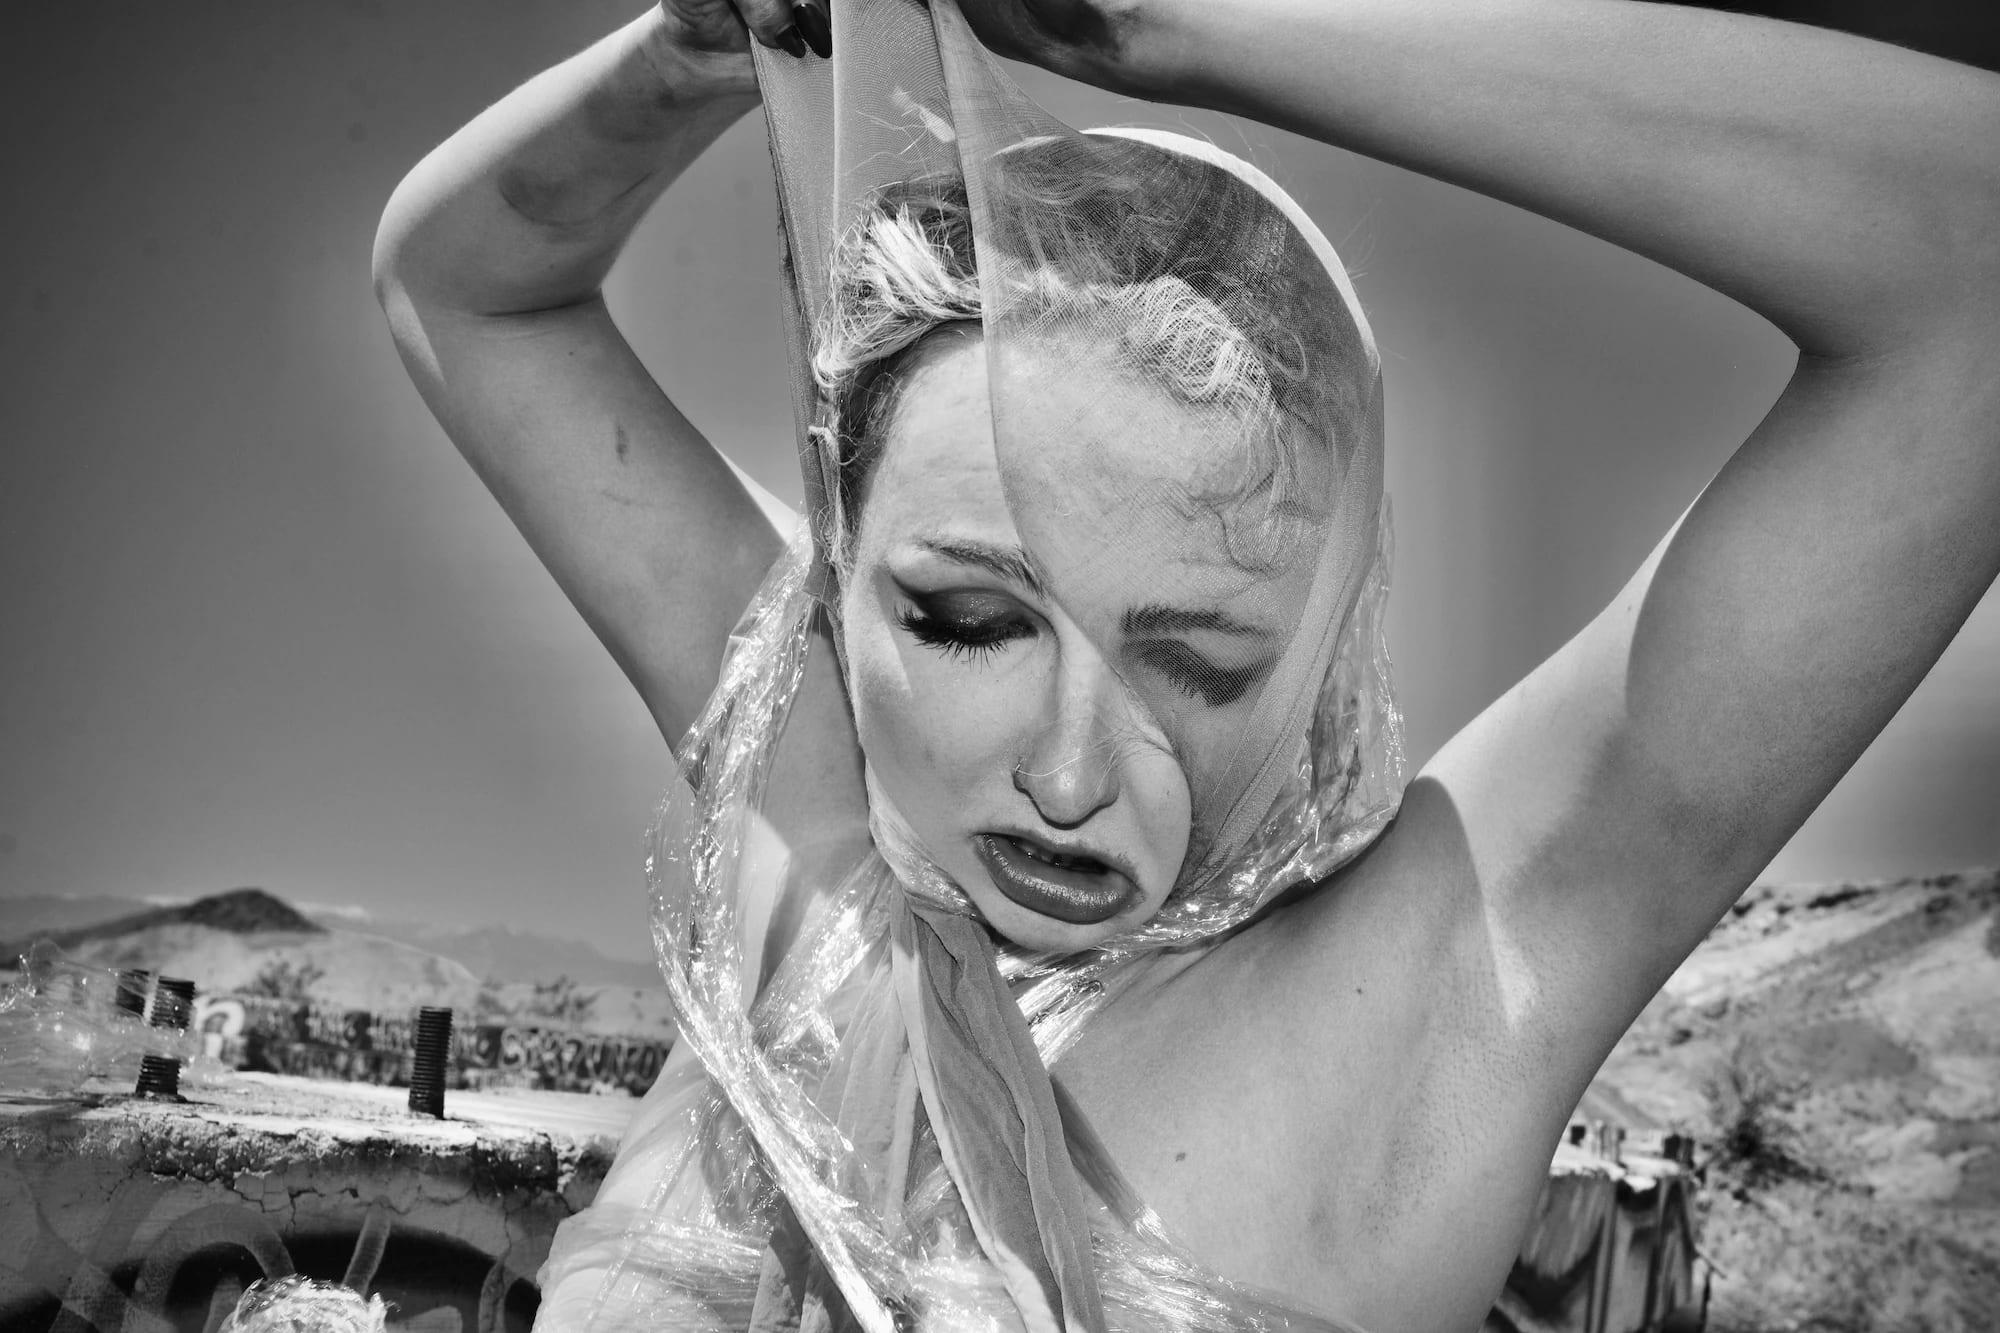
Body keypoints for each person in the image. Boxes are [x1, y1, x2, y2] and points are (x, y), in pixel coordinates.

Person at [372, 2, 2000, 1329]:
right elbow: (463, 293)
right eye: (968, 619)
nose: (1074, 771)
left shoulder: (1416, 1014)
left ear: (1324, 661)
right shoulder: (799, 800)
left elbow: (1973, 263)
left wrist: (1167, 27)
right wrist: (691, 54)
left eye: (1202, 665)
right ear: (841, 570)